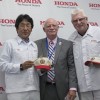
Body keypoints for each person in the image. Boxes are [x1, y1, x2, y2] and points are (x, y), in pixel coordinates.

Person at [35, 18, 77, 100]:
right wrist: (40, 70)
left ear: (58, 28)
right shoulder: (36, 44)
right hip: (43, 88)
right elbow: (34, 66)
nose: (51, 27)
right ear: (44, 29)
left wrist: (72, 87)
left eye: (54, 25)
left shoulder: (68, 45)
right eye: (48, 26)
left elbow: (71, 67)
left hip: (63, 89)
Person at [0, 14, 40, 100]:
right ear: (17, 28)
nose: (25, 28)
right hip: (16, 91)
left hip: (34, 89)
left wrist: (42, 69)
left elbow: (36, 68)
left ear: (31, 29)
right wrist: (20, 66)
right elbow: (2, 65)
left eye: (28, 25)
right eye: (22, 25)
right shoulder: (9, 43)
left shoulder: (34, 45)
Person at [69, 8, 100, 100]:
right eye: (75, 20)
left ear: (86, 19)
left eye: (80, 19)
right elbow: (71, 66)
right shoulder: (71, 39)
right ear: (72, 23)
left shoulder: (98, 32)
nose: (78, 22)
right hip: (83, 88)